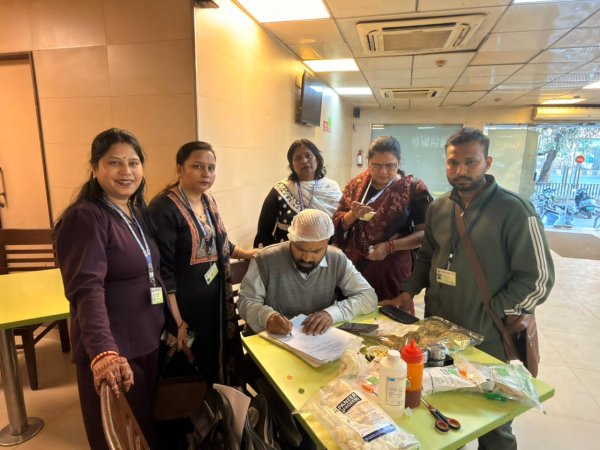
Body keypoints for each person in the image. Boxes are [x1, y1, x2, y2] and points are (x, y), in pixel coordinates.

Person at [385, 128, 555, 450]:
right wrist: (408, 291)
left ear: (487, 163)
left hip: (488, 338)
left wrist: (493, 311)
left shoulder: (515, 210)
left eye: (470, 162)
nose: (460, 170)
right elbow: (426, 257)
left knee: (493, 421)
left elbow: (538, 278)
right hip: (439, 332)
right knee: (445, 406)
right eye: (453, 162)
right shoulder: (438, 208)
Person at [55, 128, 166, 450]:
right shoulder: (85, 218)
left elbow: (150, 270)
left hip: (146, 339)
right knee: (122, 437)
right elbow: (86, 289)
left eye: (133, 162)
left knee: (145, 430)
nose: (126, 171)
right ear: (95, 167)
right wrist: (104, 351)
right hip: (116, 349)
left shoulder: (134, 210)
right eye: (114, 162)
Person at [148, 141, 254, 387]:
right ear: (180, 169)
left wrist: (245, 253)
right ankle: (196, 410)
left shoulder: (207, 200)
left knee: (213, 357)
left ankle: (219, 403)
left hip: (214, 303)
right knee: (188, 367)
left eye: (211, 168)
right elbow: (163, 270)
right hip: (184, 308)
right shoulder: (164, 208)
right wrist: (176, 320)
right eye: (197, 166)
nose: (206, 173)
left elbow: (219, 241)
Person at [332, 135, 432, 311]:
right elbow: (338, 225)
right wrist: (352, 215)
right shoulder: (356, 185)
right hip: (355, 267)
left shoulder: (413, 189)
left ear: (399, 162)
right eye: (376, 165)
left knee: (390, 315)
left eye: (390, 166)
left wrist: (389, 247)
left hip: (391, 267)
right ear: (368, 162)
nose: (383, 172)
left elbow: (425, 234)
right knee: (353, 314)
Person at [239, 208, 377, 336]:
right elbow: (246, 302)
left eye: (316, 251)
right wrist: (267, 318)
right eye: (300, 249)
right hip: (273, 338)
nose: (307, 258)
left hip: (315, 338)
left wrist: (332, 314)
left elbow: (368, 296)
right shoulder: (265, 259)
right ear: (291, 238)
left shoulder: (337, 259)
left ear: (327, 243)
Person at [254, 139, 342, 248]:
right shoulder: (281, 190)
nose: (304, 161)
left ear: (317, 159)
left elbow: (341, 224)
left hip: (325, 253)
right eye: (298, 158)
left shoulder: (331, 188)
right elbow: (264, 232)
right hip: (286, 254)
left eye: (308, 156)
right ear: (292, 165)